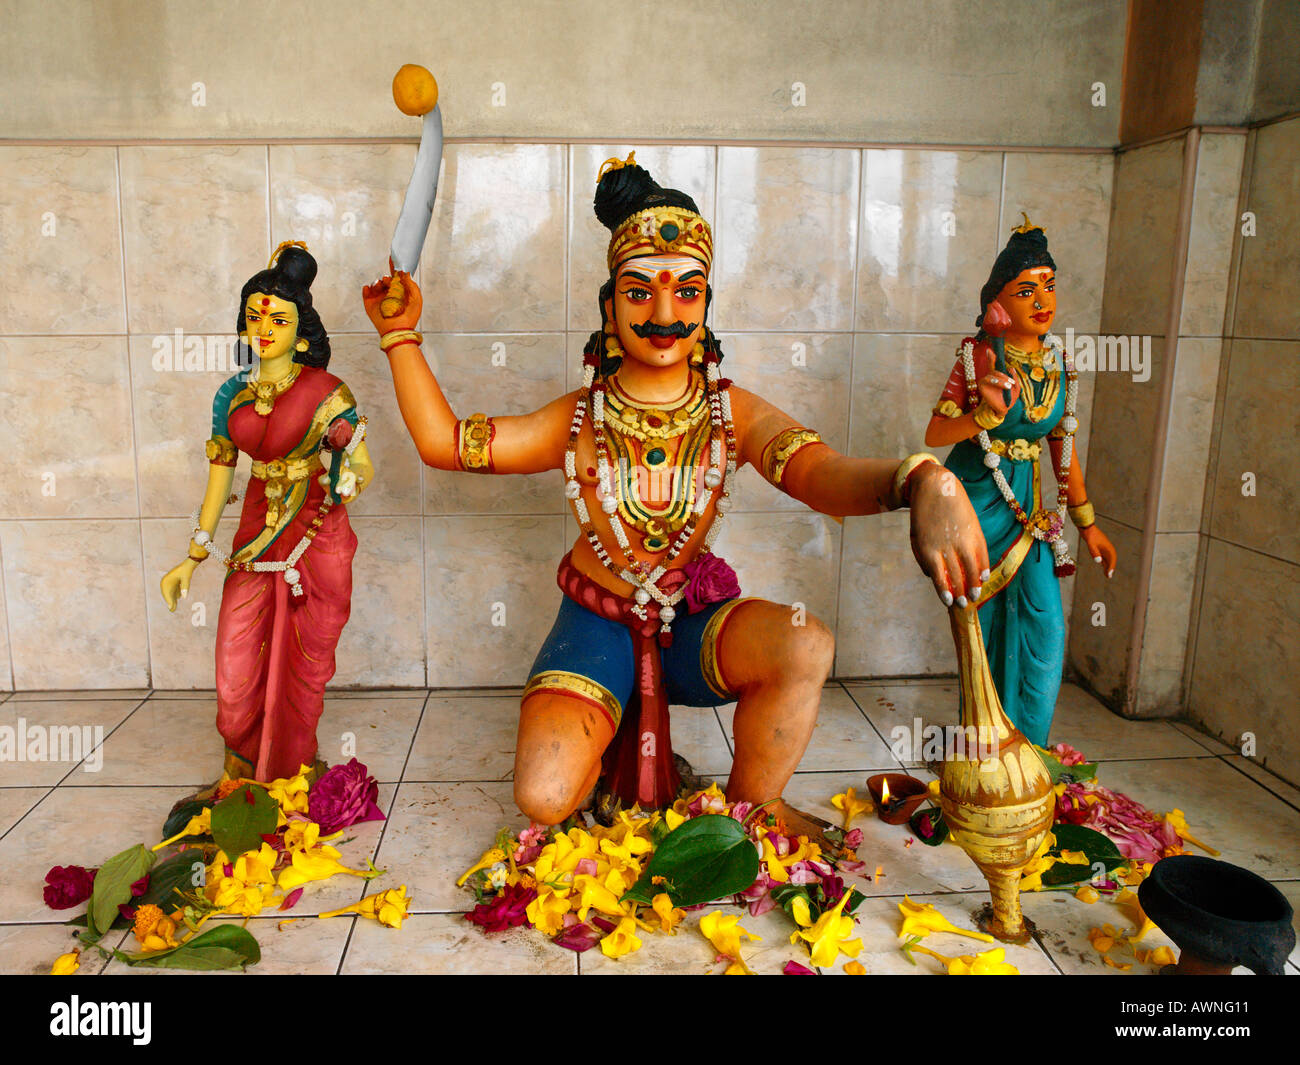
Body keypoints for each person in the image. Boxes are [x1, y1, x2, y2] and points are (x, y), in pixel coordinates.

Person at [366, 156, 987, 838]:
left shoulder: (733, 414)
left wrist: (922, 477)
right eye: (639, 293)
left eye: (687, 292)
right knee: (545, 795)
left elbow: (824, 478)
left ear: (706, 306)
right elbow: (447, 442)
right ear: (610, 306)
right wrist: (399, 336)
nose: (664, 313)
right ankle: (605, 739)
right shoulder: (578, 418)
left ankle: (756, 807)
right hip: (596, 627)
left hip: (688, 627)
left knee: (804, 643)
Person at [161, 242, 375, 784]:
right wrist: (192, 556)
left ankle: (288, 770)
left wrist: (350, 474)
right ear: (242, 326)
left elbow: (358, 459)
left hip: (314, 532)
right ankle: (242, 758)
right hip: (255, 533)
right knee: (235, 672)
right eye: (254, 315)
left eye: (278, 318)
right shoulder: (230, 396)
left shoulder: (326, 391)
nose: (264, 327)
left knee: (303, 659)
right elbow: (220, 478)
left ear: (300, 330)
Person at [924, 217, 1117, 746]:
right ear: (999, 303)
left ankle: (1027, 748)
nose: (1042, 300)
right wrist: (982, 418)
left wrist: (1088, 523)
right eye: (1026, 290)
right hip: (977, 499)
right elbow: (936, 430)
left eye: (1049, 287)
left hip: (1030, 509)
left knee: (1045, 628)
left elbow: (1061, 443)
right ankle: (982, 745)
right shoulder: (977, 355)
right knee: (978, 628)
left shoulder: (1058, 362)